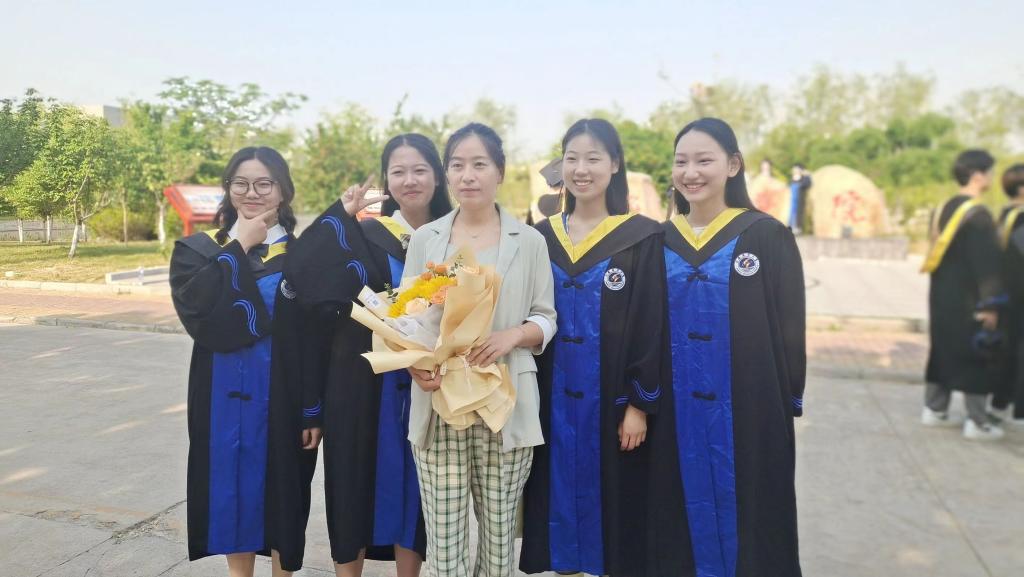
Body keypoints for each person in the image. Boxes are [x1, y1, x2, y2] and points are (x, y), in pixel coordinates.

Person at [285, 134, 454, 576]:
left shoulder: (453, 238)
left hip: (426, 386)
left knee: (416, 490)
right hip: (357, 381)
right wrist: (339, 214)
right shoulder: (359, 233)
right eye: (398, 171)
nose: (410, 180)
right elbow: (300, 271)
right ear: (386, 181)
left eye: (420, 170)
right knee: (351, 483)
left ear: (437, 176)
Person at [650, 118, 804, 577]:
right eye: (681, 162)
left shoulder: (766, 235)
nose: (690, 173)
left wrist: (789, 397)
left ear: (733, 165)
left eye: (704, 160)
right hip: (674, 407)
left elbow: (790, 324)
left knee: (754, 511)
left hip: (751, 406)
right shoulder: (659, 241)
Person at [403, 123, 557, 577]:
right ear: (447, 174)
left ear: (500, 172)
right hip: (441, 406)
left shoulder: (529, 241)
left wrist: (514, 335)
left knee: (499, 543)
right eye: (457, 165)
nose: (467, 175)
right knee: (444, 545)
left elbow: (547, 317)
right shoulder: (426, 238)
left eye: (479, 164)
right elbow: (407, 319)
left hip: (504, 403)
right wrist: (414, 364)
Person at [520, 118, 664, 577]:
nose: (581, 169)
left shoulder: (643, 236)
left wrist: (640, 405)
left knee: (613, 517)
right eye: (572, 158)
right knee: (555, 499)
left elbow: (652, 325)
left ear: (614, 164)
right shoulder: (540, 236)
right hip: (548, 399)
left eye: (593, 158)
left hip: (612, 401)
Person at [169, 146, 320, 577]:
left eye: (264, 183)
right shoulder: (198, 250)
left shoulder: (304, 256)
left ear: (283, 191)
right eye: (241, 183)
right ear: (228, 189)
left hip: (283, 397)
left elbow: (315, 339)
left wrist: (312, 409)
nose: (252, 192)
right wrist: (240, 245)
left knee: (284, 494)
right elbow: (196, 308)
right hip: (220, 396)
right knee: (230, 490)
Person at [921, 149, 1007, 441]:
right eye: (990, 172)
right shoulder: (978, 215)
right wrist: (991, 305)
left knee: (942, 348)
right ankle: (977, 422)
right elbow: (987, 266)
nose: (992, 177)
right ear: (977, 175)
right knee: (978, 352)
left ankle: (934, 409)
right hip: (970, 299)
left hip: (942, 295)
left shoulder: (943, 208)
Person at [994, 164, 1024, 424]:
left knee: (1008, 348)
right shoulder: (1021, 219)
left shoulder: (1004, 215)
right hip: (1019, 293)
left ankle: (1000, 402)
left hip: (1006, 292)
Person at [789, 163, 812, 234]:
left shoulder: (804, 178)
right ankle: (791, 226)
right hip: (792, 201)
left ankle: (798, 228)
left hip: (800, 201)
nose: (795, 171)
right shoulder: (792, 179)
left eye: (796, 169)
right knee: (791, 214)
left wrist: (807, 175)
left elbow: (808, 183)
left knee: (799, 214)